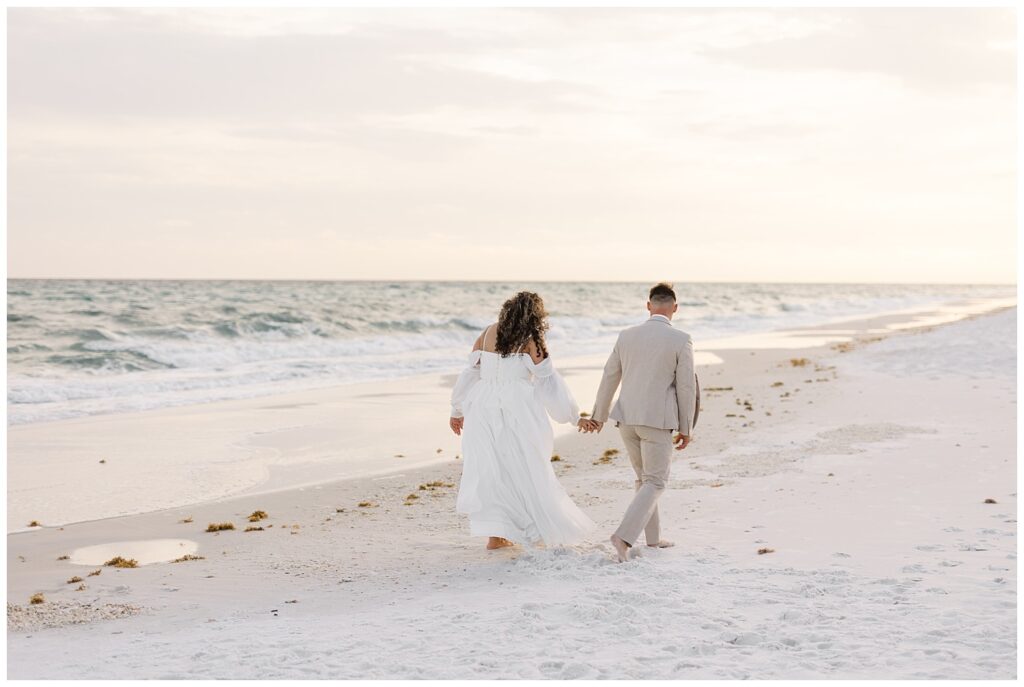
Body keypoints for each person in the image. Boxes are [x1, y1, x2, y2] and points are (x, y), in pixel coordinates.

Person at [449, 291, 595, 550]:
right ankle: (524, 530)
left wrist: (457, 409)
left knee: (492, 470)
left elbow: (470, 372)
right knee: (526, 466)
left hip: (483, 406)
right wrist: (573, 417)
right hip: (518, 408)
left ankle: (497, 536)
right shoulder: (532, 340)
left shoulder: (486, 333)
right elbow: (548, 381)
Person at [581, 282, 697, 562]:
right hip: (656, 421)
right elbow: (686, 388)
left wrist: (598, 416)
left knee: (644, 479)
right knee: (656, 482)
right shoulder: (681, 339)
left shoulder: (626, 335)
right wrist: (686, 428)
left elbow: (610, 376)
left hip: (627, 419)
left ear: (649, 306)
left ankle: (653, 539)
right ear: (675, 308)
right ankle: (623, 537)